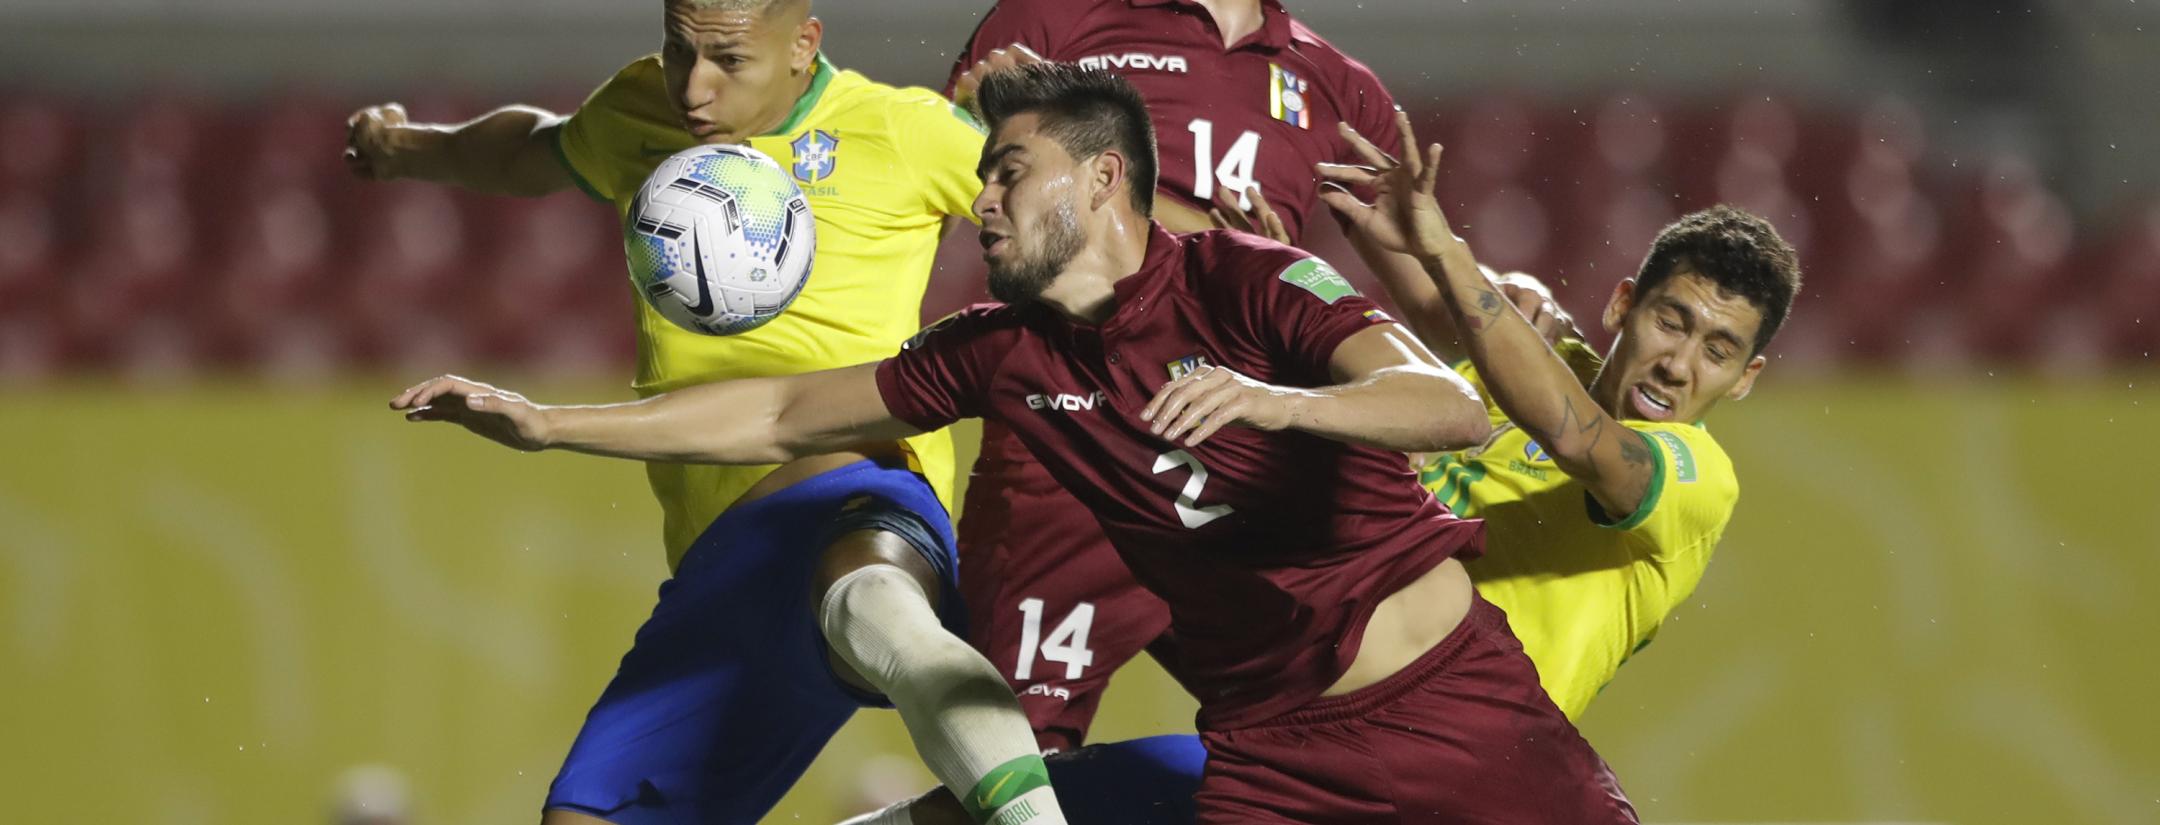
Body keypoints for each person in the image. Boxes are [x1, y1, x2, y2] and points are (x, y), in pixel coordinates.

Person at [391, 63, 1637, 824]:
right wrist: (547, 423)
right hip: (1273, 760)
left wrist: (1280, 404)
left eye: (1009, 173)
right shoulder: (1000, 350)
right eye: (982, 178)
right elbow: (781, 412)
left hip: (1456, 715)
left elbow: (1449, 407)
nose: (979, 201)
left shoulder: (1245, 280)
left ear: (1104, 182)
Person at [345, 2, 1067, 823]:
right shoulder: (638, 112)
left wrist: (1230, 250)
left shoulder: (905, 132)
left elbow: (1107, 224)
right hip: (717, 554)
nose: (695, 87)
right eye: (677, 52)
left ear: (804, 44)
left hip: (854, 486)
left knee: (874, 605)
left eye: (728, 60)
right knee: (583, 817)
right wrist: (403, 148)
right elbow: (531, 152)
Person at [933, 0, 1445, 758]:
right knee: (1013, 759)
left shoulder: (1341, 87)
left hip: (1241, 452)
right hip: (1078, 423)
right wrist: (1229, 245)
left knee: (1344, 746)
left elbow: (1424, 305)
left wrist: (1485, 285)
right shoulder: (1048, 19)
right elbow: (963, 194)